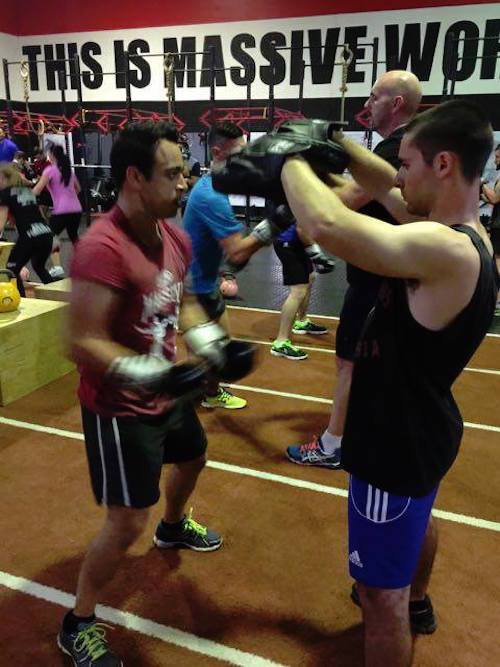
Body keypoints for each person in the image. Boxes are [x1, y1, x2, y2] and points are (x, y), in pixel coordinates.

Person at [275, 102, 498, 667]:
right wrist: (336, 143)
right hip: (425, 427)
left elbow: (327, 226)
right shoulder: (463, 236)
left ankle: (403, 601)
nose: (397, 176)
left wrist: (286, 159)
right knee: (418, 522)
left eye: (407, 163)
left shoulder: (444, 250)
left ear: (443, 165)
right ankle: (417, 598)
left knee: (380, 600)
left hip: (392, 441)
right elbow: (389, 191)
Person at [59, 120, 254, 666]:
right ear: (134, 178)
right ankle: (78, 621)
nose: (183, 182)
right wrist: (152, 375)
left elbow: (182, 302)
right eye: (171, 174)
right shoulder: (103, 248)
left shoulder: (174, 236)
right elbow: (82, 341)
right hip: (119, 407)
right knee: (125, 522)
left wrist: (212, 344)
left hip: (164, 393)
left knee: (193, 456)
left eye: (182, 171)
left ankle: (172, 527)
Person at [286, 70, 422, 466]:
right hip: (395, 273)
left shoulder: (396, 147)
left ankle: (333, 444)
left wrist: (294, 172)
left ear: (397, 103)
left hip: (377, 278)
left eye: (374, 97)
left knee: (349, 360)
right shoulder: (407, 146)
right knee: (382, 363)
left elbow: (343, 202)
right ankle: (373, 430)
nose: (366, 104)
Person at [183, 121, 270, 408]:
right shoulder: (210, 196)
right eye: (238, 155)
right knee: (213, 352)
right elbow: (237, 252)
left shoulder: (214, 188)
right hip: (194, 288)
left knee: (214, 350)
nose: (244, 161)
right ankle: (194, 399)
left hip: (203, 281)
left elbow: (215, 243)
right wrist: (274, 225)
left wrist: (224, 272)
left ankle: (207, 394)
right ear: (218, 153)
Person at [271, 217, 333, 360]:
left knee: (310, 277)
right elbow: (301, 226)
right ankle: (280, 343)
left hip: (298, 241)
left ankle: (301, 321)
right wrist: (317, 254)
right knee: (298, 291)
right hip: (288, 242)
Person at [0, 162, 54, 294]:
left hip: (30, 236)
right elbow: (38, 214)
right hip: (46, 233)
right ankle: (56, 294)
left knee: (11, 269)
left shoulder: (5, 193)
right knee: (39, 266)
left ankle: (22, 300)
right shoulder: (27, 191)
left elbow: (0, 223)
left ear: (4, 178)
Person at [32, 142, 82, 277]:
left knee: (50, 236)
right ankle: (85, 263)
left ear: (52, 155)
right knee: (74, 236)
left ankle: (57, 266)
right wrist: (69, 198)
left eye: (48, 153)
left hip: (61, 211)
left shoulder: (50, 170)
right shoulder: (68, 171)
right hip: (76, 209)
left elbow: (37, 190)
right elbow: (78, 189)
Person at [481, 144, 500, 314]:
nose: (495, 161)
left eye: (498, 157)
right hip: (496, 223)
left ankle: (498, 299)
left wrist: (481, 184)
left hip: (499, 225)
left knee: (498, 261)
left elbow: (494, 199)